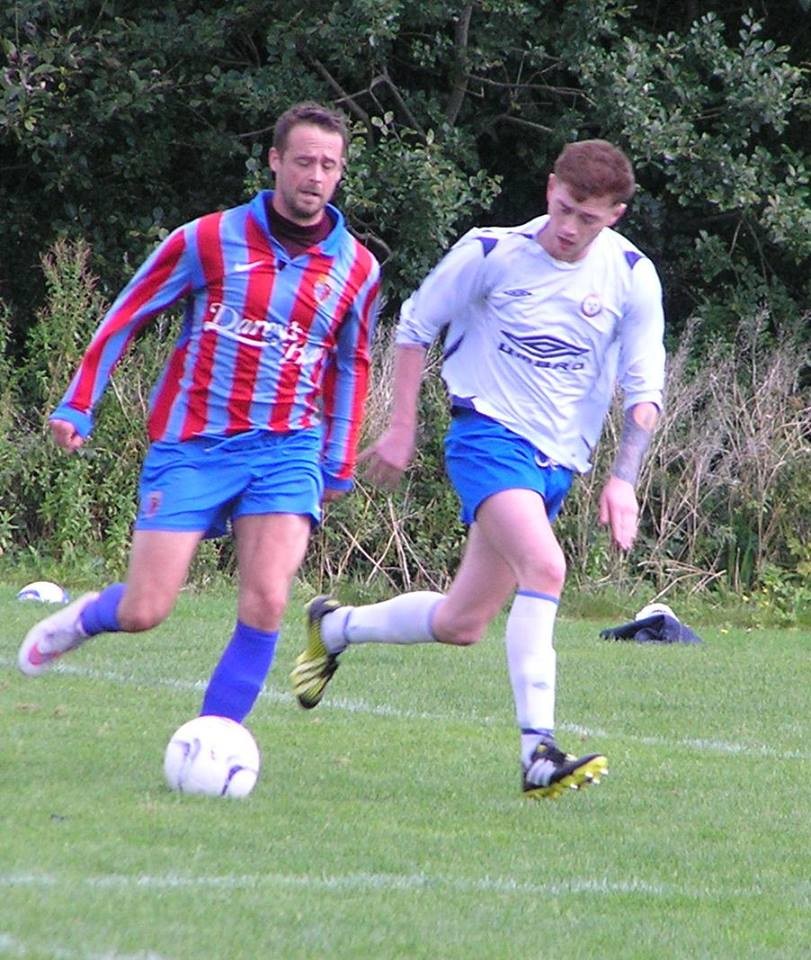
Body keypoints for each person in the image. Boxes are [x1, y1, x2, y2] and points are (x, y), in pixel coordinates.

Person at [291, 139, 665, 799]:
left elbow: (643, 394)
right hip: (486, 437)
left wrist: (622, 479)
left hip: (557, 464)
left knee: (461, 624)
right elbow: (412, 326)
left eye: (589, 217)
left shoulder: (632, 276)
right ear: (550, 187)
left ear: (617, 215)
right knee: (546, 568)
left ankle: (334, 626)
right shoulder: (491, 252)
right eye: (564, 207)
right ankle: (537, 755)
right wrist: (402, 427)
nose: (570, 227)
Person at [18, 102, 381, 730]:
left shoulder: (358, 269)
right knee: (145, 610)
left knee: (268, 600)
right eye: (302, 161)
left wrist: (339, 455)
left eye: (328, 165)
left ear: (341, 171)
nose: (314, 176)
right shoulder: (208, 239)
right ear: (274, 161)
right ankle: (84, 617)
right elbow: (128, 313)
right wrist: (80, 400)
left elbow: (353, 366)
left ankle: (216, 739)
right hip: (193, 445)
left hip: (287, 449)